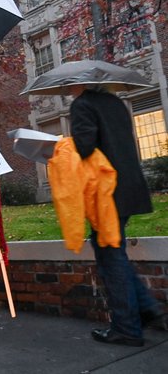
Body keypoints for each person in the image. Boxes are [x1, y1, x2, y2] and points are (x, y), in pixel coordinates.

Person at [69, 84, 167, 346]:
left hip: (106, 192)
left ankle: (127, 328)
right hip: (129, 187)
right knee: (115, 253)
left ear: (79, 83)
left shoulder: (82, 105)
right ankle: (147, 310)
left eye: (70, 85)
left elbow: (85, 147)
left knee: (110, 258)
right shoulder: (115, 102)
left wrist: (59, 149)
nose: (68, 89)